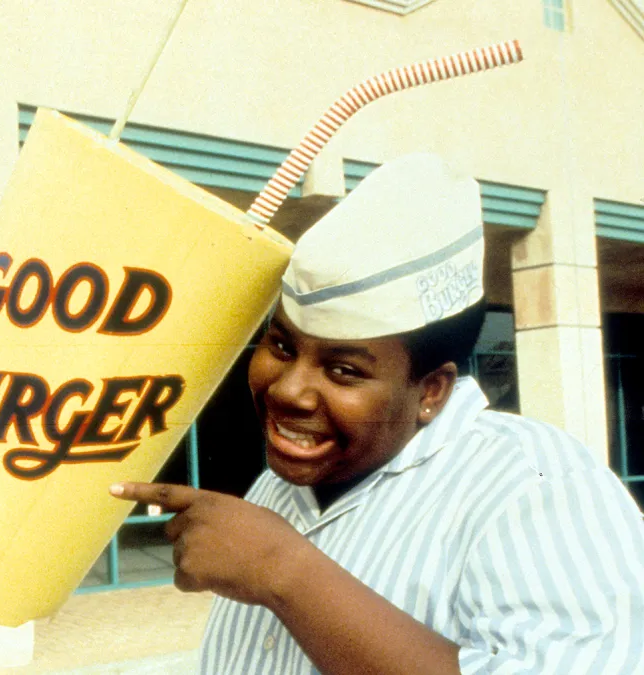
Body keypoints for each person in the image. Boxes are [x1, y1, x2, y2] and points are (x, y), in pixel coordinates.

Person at [112, 153, 644, 674]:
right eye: (280, 346)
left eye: (343, 371)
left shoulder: (535, 487)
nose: (289, 390)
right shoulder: (283, 485)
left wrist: (283, 570)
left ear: (431, 390)